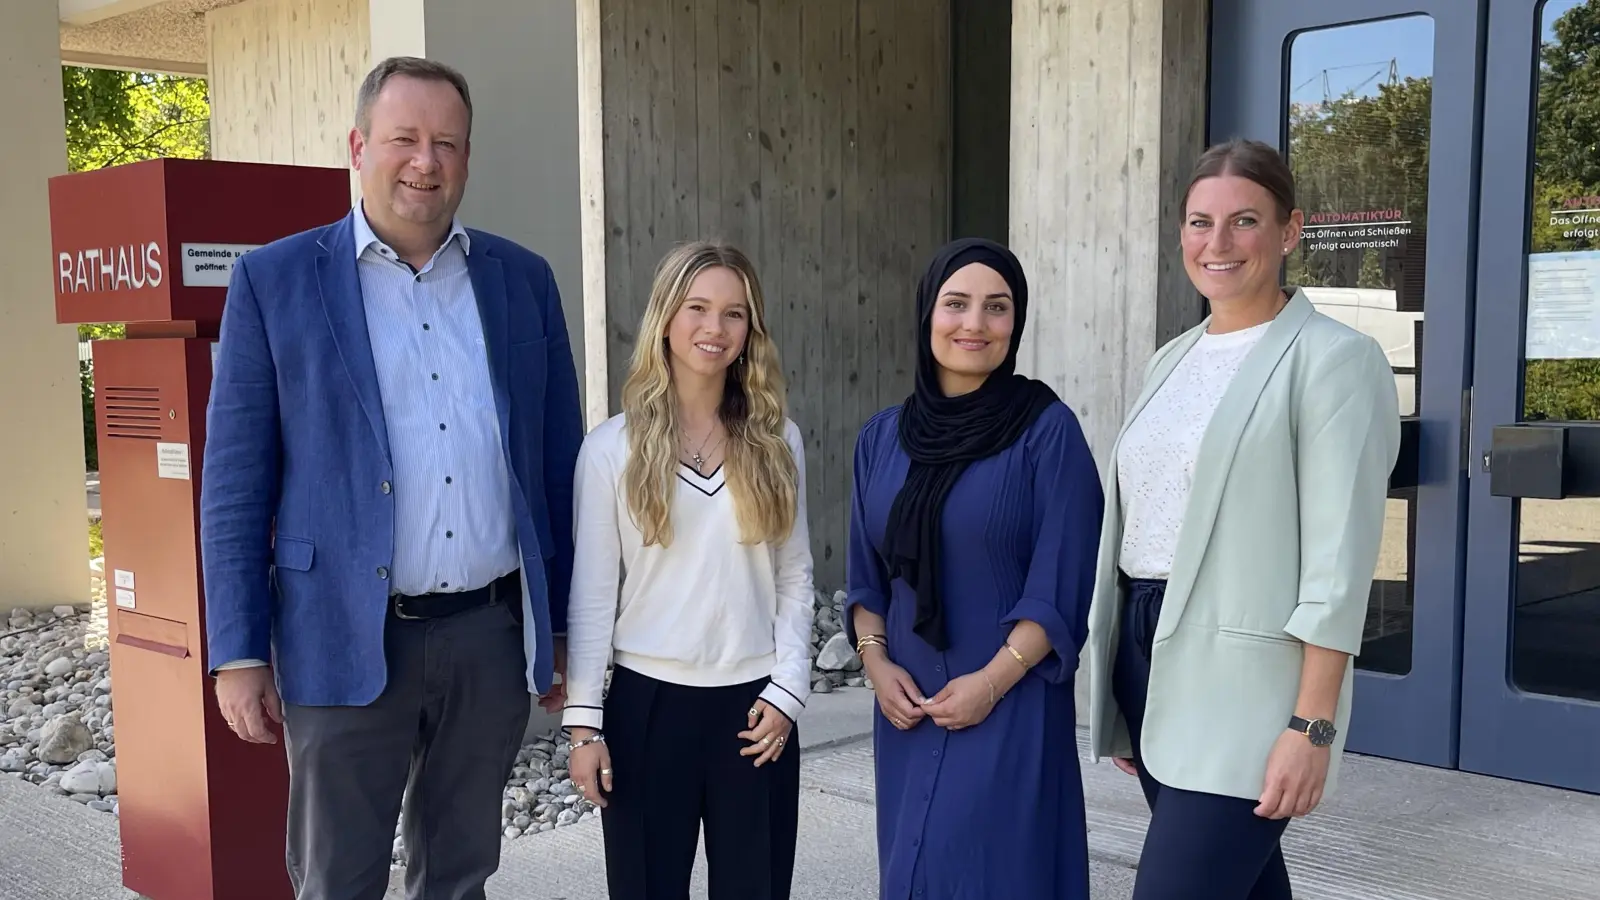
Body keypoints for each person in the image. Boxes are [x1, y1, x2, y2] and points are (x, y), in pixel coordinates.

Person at [199, 56, 584, 900]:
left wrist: (559, 625)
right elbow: (234, 484)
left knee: (459, 875)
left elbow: (561, 467)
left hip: (487, 633)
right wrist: (235, 649)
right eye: (405, 138)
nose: (426, 161)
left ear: (468, 159)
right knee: (338, 877)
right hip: (338, 629)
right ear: (358, 145)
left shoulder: (523, 282)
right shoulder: (276, 281)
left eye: (447, 142)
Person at [1084, 138, 1402, 899]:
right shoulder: (1173, 357)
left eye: (1243, 221)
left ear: (1290, 231)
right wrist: (1133, 683)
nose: (1216, 244)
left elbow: (1338, 565)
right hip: (1149, 657)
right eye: (1199, 222)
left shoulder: (1335, 361)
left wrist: (1312, 728)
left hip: (1247, 690)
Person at [843, 237, 1105, 899]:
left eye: (997, 307)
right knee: (912, 872)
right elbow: (867, 574)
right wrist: (875, 664)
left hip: (1008, 702)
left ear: (1016, 324)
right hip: (906, 703)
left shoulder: (1048, 432)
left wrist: (991, 682)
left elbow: (1062, 582)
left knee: (997, 872)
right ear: (927, 312)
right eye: (956, 303)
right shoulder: (881, 438)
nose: (975, 324)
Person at [561, 240, 814, 900]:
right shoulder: (610, 449)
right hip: (647, 709)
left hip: (754, 712)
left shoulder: (779, 440)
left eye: (734, 313)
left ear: (750, 329)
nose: (714, 328)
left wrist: (788, 691)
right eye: (697, 307)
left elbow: (794, 576)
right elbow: (591, 598)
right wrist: (586, 726)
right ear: (665, 318)